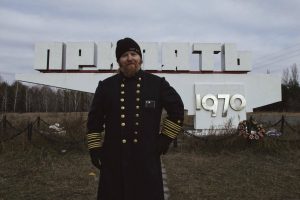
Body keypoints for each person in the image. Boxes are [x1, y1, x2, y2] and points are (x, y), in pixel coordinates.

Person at [86, 37, 184, 200]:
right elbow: (94, 121)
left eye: (133, 54)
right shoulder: (106, 86)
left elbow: (177, 110)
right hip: (114, 158)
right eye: (124, 55)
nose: (130, 58)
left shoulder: (157, 84)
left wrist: (165, 139)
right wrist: (95, 148)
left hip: (146, 157)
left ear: (140, 59)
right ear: (119, 61)